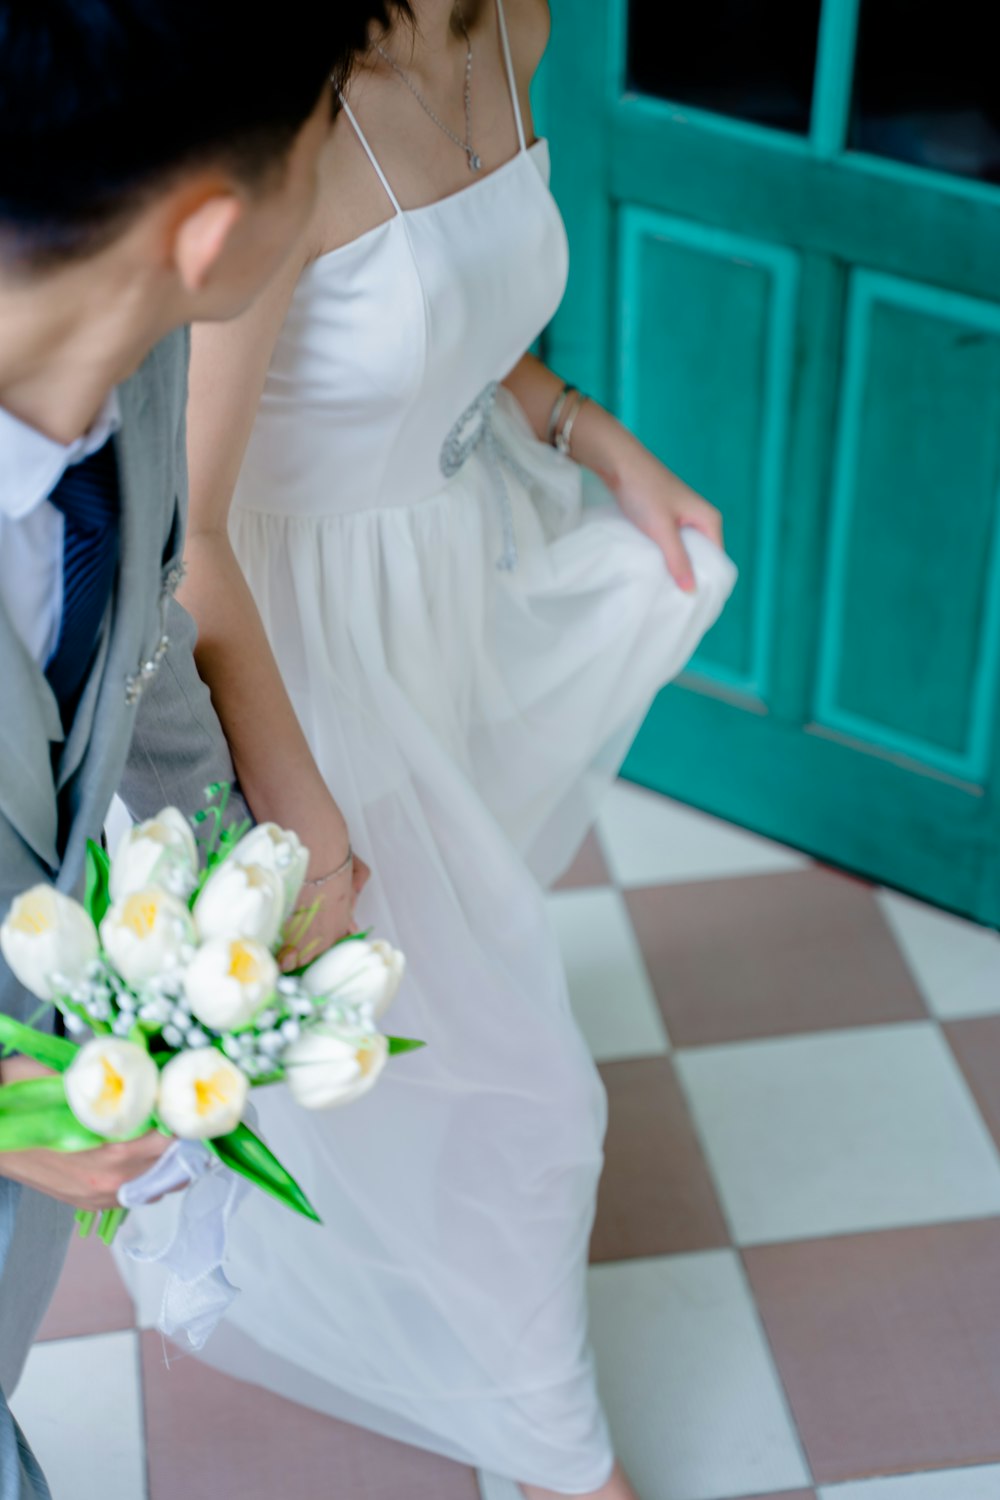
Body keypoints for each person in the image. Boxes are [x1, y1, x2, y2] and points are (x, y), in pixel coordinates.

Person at [135, 2, 736, 1495]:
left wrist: (594, 435)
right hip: (298, 646)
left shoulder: (513, 22)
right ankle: (565, 1461)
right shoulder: (285, 106)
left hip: (446, 585)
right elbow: (190, 540)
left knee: (414, 1026)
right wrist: (305, 819)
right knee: (528, 1085)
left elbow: (469, 320)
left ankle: (327, 1214)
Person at [0, 2, 394, 1494]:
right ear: (212, 230)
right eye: (324, 130)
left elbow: (136, 615)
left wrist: (256, 842)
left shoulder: (138, 358)